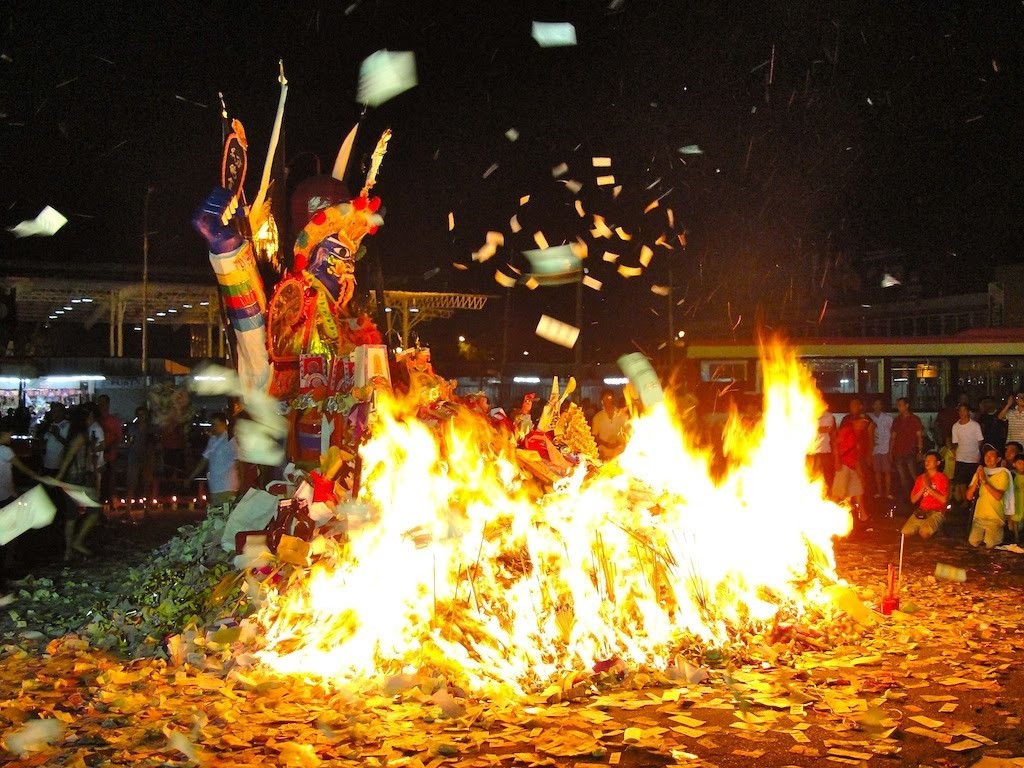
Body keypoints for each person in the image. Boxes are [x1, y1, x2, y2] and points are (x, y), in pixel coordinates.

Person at [56, 406, 103, 560]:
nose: (91, 419)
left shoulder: (74, 435)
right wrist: (59, 476)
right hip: (79, 479)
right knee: (94, 511)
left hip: (72, 478)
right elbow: (69, 457)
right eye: (88, 417)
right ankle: (76, 542)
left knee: (71, 517)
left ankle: (68, 553)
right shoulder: (81, 437)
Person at [1, 429, 41, 604]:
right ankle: (7, 567)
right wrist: (37, 476)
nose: (10, 436)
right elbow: (21, 468)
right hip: (4, 497)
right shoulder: (5, 451)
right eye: (8, 433)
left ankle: (7, 571)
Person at [186, 413, 239, 508]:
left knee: (225, 517)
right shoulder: (212, 440)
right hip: (214, 486)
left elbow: (239, 462)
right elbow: (204, 460)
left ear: (223, 424)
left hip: (227, 486)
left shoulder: (230, 440)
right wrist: (191, 477)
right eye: (212, 424)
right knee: (216, 518)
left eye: (215, 424)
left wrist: (241, 486)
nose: (213, 427)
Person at [965, 445, 1013, 549]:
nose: (988, 458)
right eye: (986, 455)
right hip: (979, 517)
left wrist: (984, 481)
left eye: (991, 456)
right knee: (972, 542)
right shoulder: (981, 472)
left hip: (995, 518)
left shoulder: (1003, 473)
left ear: (998, 459)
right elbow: (969, 496)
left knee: (990, 544)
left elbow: (998, 496)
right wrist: (977, 479)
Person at [901, 450, 949, 539]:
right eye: (926, 460)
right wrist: (923, 487)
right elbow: (913, 500)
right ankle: (926, 525)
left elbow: (943, 499)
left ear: (938, 463)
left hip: (937, 511)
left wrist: (929, 487)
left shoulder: (942, 478)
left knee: (924, 533)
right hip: (922, 510)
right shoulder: (921, 478)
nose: (927, 462)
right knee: (905, 533)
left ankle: (938, 526)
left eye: (930, 460)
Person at [950, 403, 984, 508]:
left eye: (964, 410)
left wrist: (974, 451)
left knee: (972, 481)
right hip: (961, 457)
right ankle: (965, 501)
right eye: (960, 411)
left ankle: (973, 502)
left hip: (973, 457)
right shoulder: (955, 426)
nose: (962, 413)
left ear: (968, 412)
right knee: (960, 481)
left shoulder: (975, 425)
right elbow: (955, 442)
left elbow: (980, 441)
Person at [891, 398, 924, 497]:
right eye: (898, 405)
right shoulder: (897, 420)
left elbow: (919, 436)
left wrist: (920, 451)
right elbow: (893, 436)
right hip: (898, 452)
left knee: (914, 475)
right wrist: (891, 451)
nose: (899, 407)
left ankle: (920, 495)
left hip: (911, 451)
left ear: (907, 405)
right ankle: (908, 496)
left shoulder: (914, 419)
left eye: (901, 404)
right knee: (902, 477)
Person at [832, 420, 865, 513]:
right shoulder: (847, 430)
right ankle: (832, 514)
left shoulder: (859, 436)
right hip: (843, 465)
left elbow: (856, 457)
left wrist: (860, 474)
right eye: (860, 422)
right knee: (838, 493)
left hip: (852, 467)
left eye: (864, 423)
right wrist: (837, 460)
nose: (862, 424)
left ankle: (863, 515)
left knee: (858, 490)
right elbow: (835, 443)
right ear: (855, 422)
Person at [96, 395, 123, 504]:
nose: (101, 405)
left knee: (109, 479)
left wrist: (110, 446)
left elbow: (118, 437)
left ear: (108, 404)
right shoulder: (95, 420)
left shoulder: (113, 420)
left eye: (103, 403)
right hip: (96, 456)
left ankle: (110, 501)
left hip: (109, 455)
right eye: (100, 403)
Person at [125, 406, 156, 498]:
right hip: (134, 457)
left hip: (146, 457)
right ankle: (128, 508)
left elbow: (154, 444)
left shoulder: (150, 429)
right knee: (131, 483)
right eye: (139, 415)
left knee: (146, 483)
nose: (141, 417)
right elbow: (128, 442)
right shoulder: (133, 428)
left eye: (142, 414)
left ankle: (146, 507)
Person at [592, 389, 629, 461]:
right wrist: (606, 444)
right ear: (601, 400)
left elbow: (628, 433)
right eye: (605, 398)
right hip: (604, 452)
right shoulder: (597, 417)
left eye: (609, 398)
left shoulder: (623, 415)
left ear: (613, 399)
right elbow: (595, 436)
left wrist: (618, 443)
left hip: (620, 451)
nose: (607, 401)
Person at [869, 398, 895, 500]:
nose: (877, 406)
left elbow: (892, 434)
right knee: (877, 472)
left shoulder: (888, 418)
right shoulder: (870, 417)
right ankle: (879, 492)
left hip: (885, 448)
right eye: (875, 404)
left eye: (879, 404)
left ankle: (888, 493)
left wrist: (891, 450)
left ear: (881, 406)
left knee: (887, 471)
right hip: (875, 449)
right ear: (873, 406)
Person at [808, 406, 836, 493]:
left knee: (827, 474)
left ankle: (828, 493)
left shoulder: (828, 416)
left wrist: (815, 428)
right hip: (812, 450)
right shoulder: (810, 414)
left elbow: (829, 429)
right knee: (811, 473)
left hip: (825, 450)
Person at [1010, 454, 1024, 543]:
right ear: (1014, 464)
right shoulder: (1011, 475)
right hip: (1015, 501)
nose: (1022, 466)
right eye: (1019, 463)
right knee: (1014, 521)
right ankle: (1016, 537)